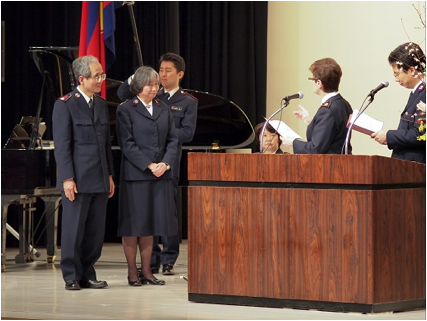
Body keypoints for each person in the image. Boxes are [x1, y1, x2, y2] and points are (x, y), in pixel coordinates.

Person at [117, 53, 198, 275]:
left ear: (179, 74)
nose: (162, 76)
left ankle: (168, 259)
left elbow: (182, 135)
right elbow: (122, 95)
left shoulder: (184, 101)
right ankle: (146, 265)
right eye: (159, 71)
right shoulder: (134, 104)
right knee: (141, 218)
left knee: (165, 216)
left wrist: (164, 161)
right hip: (142, 169)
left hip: (166, 165)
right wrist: (137, 76)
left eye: (167, 71)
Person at [52, 55, 115, 291]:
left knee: (95, 233)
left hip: (99, 178)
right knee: (73, 230)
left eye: (102, 75)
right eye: (97, 76)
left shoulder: (100, 103)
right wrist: (67, 178)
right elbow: (63, 145)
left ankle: (88, 273)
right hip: (77, 180)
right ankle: (71, 275)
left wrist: (109, 175)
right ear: (82, 78)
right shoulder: (65, 104)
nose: (101, 79)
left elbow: (105, 145)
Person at [116, 66, 179, 286]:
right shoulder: (126, 109)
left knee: (151, 224)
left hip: (160, 174)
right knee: (134, 225)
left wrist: (165, 163)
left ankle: (148, 271)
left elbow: (173, 140)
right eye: (150, 84)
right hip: (137, 175)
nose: (154, 88)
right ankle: (132, 272)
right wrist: (149, 165)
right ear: (138, 86)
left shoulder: (164, 108)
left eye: (156, 85)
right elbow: (127, 144)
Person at [281, 58, 353, 154]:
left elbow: (316, 148)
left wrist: (293, 143)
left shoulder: (328, 110)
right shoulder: (343, 103)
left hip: (329, 166)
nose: (310, 82)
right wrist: (310, 122)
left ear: (319, 83)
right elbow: (331, 136)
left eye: (312, 79)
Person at [371, 42, 426, 164]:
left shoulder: (424, 93)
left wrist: (389, 136)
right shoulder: (417, 92)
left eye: (397, 74)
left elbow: (421, 134)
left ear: (412, 70)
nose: (396, 79)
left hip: (416, 167)